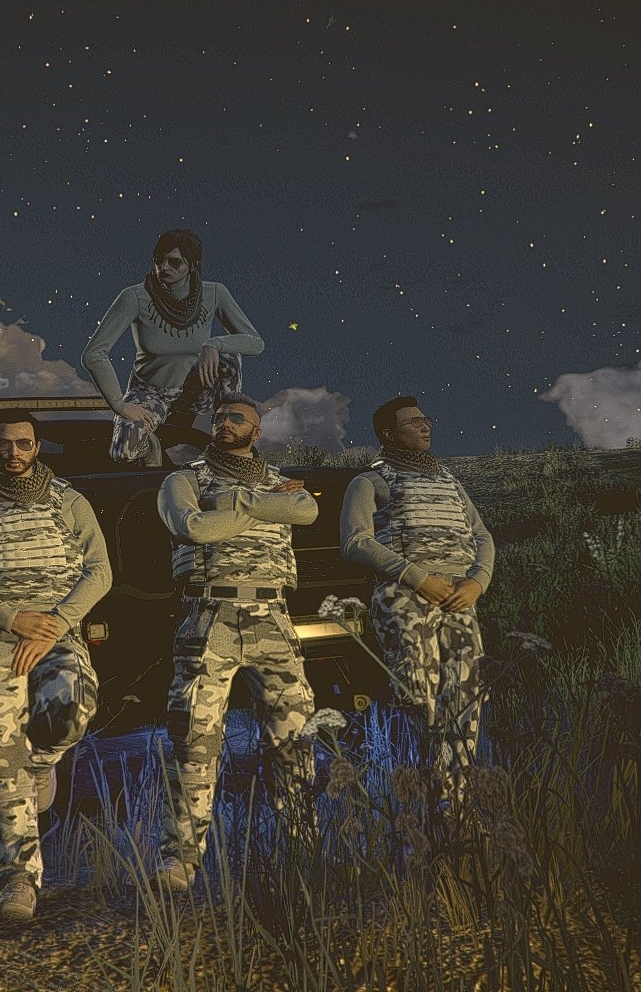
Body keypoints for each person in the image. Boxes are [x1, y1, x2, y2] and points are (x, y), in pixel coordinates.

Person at [0, 409, 111, 922]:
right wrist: (11, 618)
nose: (13, 452)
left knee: (72, 708)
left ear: (37, 447)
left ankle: (40, 764)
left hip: (58, 629)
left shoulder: (70, 502)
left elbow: (100, 571)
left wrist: (57, 622)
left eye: (23, 443)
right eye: (4, 444)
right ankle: (17, 880)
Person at [153, 392, 318, 890]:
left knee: (293, 738)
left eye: (237, 418)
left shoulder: (282, 484)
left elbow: (307, 512)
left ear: (256, 430)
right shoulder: (184, 480)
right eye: (219, 417)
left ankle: (301, 850)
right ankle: (180, 860)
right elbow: (194, 528)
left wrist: (234, 503)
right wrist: (268, 506)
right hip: (210, 616)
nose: (225, 423)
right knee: (194, 740)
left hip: (273, 617)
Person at [338, 396, 495, 800]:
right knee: (420, 702)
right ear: (388, 434)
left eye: (426, 419)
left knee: (466, 701)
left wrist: (477, 582)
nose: (425, 427)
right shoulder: (370, 481)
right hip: (404, 599)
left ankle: (456, 806)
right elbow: (355, 542)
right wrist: (417, 577)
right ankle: (425, 802)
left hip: (459, 599)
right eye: (413, 422)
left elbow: (481, 535)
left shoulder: (450, 482)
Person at [81, 228, 266, 464]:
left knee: (228, 355)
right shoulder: (134, 297)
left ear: (193, 264)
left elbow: (256, 343)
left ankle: (227, 433)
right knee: (124, 452)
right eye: (159, 260)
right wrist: (119, 405)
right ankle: (152, 447)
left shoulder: (215, 293)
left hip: (196, 390)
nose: (164, 267)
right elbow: (93, 354)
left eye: (174, 262)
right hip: (151, 391)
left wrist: (213, 344)